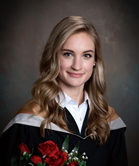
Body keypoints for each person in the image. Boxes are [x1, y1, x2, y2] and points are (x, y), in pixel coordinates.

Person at [0, 16, 128, 166]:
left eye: (86, 55)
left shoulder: (109, 121)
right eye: (68, 54)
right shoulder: (28, 121)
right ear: (54, 57)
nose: (77, 65)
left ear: (95, 61)